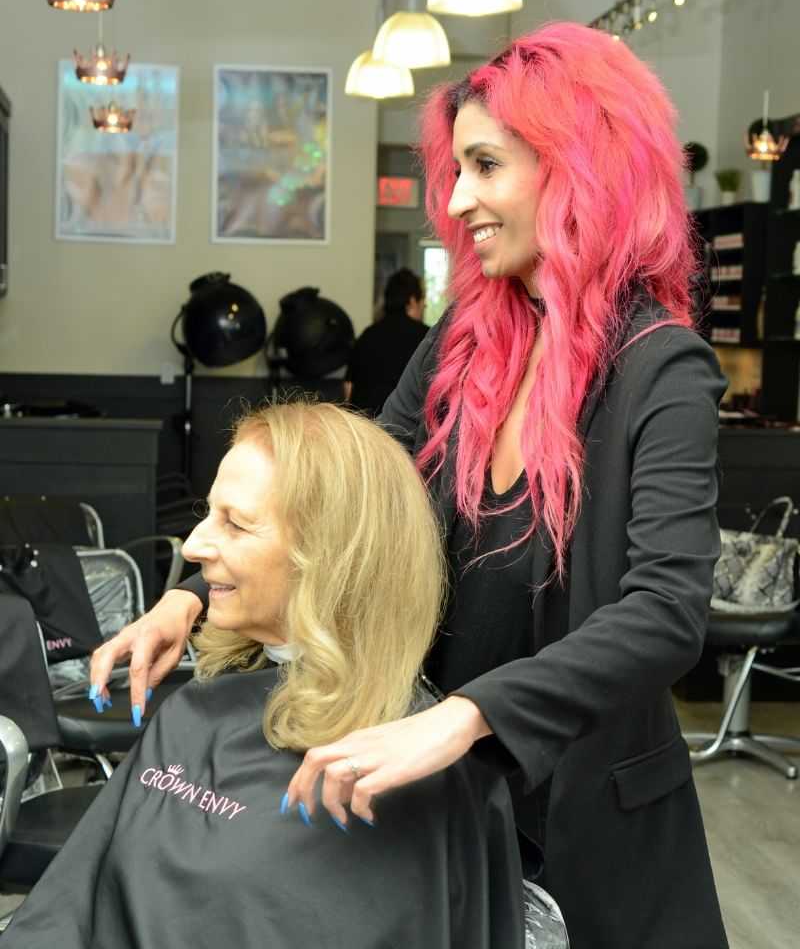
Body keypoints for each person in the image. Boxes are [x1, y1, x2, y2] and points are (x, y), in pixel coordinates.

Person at [90, 22, 729, 949]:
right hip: (442, 800)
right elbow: (341, 497)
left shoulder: (661, 371)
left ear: (578, 166)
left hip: (586, 833)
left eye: (486, 165)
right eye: (455, 168)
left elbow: (667, 611)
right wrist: (193, 600)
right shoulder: (461, 345)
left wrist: (470, 718)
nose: (458, 197)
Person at [4, 403, 524, 948]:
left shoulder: (423, 769)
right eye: (208, 515)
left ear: (329, 554)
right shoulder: (193, 713)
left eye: (235, 523)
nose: (197, 546)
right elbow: (69, 907)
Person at [344, 267, 429, 416]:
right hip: (405, 430)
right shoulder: (426, 337)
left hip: (365, 426)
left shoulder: (368, 335)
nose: (425, 305)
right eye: (422, 300)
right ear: (412, 300)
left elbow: (348, 387)